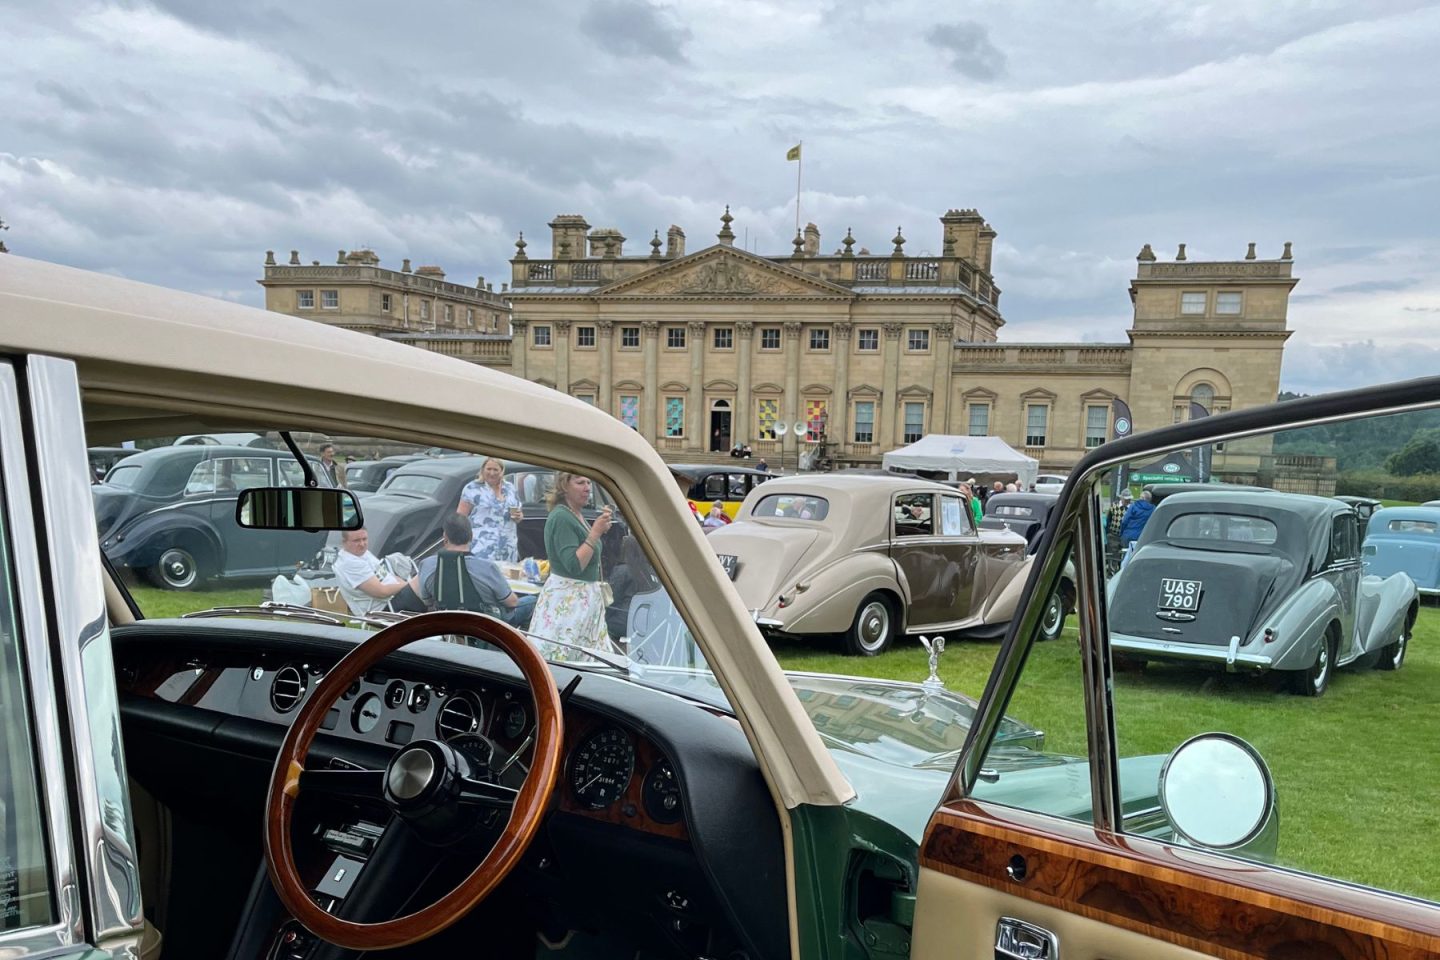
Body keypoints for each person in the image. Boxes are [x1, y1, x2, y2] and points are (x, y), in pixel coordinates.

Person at [529, 472, 615, 660]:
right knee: (561, 657)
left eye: (588, 482)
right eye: (580, 482)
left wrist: (597, 531)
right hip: (569, 600)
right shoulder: (561, 517)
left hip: (584, 600)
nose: (587, 487)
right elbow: (574, 565)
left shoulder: (575, 514)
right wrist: (595, 533)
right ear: (564, 485)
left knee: (590, 659)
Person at [408, 513, 535, 627]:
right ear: (471, 536)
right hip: (489, 627)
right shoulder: (487, 568)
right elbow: (511, 602)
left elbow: (427, 601)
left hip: (447, 624)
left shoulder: (426, 565)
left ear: (445, 537)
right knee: (532, 600)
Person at [333, 527, 422, 615]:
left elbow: (386, 575)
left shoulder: (362, 554)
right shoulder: (351, 564)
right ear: (344, 542)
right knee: (427, 577)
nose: (362, 544)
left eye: (364, 539)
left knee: (427, 576)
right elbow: (382, 592)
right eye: (356, 541)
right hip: (385, 608)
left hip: (394, 596)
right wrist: (407, 585)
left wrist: (406, 584)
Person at [457, 456, 522, 563]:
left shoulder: (510, 488)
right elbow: (460, 518)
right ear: (482, 470)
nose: (492, 473)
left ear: (502, 471)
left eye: (495, 470)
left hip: (507, 548)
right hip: (481, 548)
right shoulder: (472, 488)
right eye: (489, 469)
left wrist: (519, 516)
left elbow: (519, 516)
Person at [604, 535, 660, 639]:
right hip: (646, 624)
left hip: (624, 622)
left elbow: (611, 599)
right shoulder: (651, 572)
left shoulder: (623, 571)